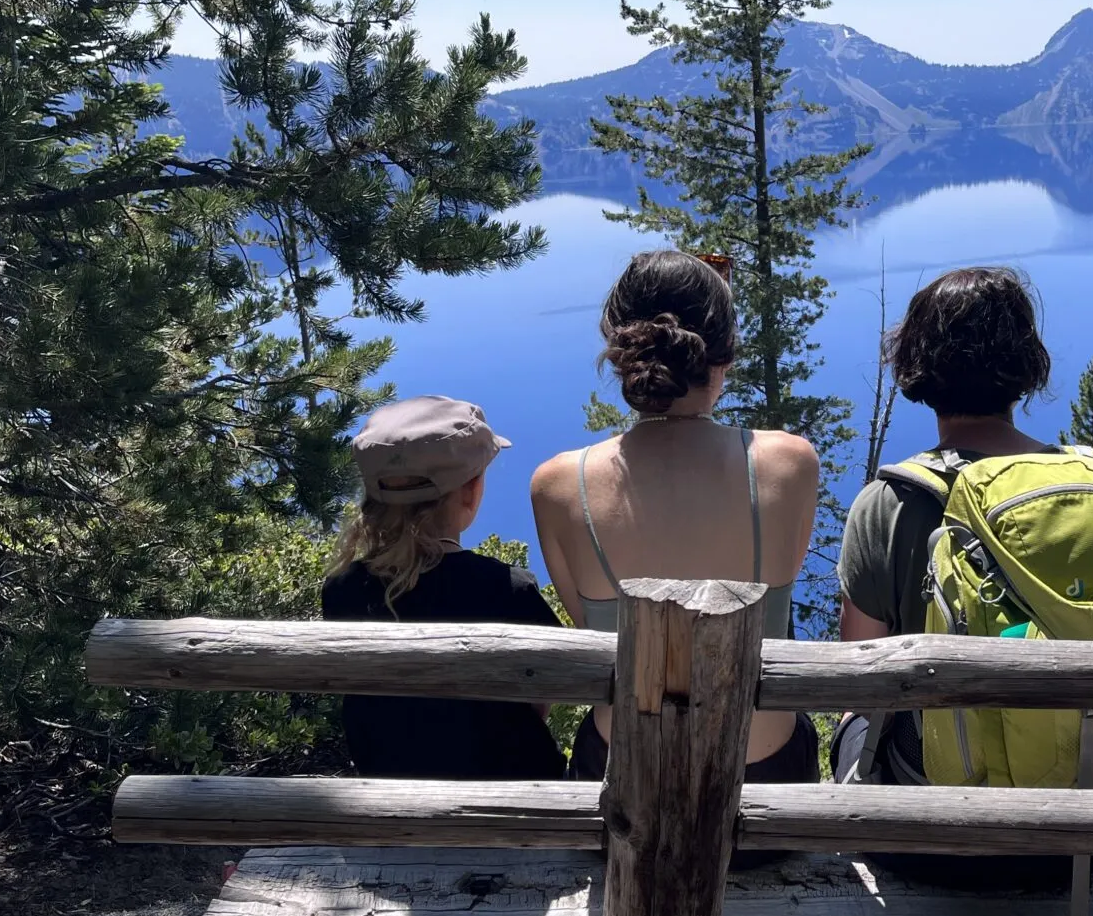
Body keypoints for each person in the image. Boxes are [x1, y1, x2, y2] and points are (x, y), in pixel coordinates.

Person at [531, 249, 822, 782]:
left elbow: (590, 626)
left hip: (622, 779)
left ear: (621, 350)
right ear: (726, 353)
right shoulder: (788, 463)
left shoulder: (558, 484)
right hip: (763, 778)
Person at [831, 269, 1071, 890]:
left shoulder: (888, 503)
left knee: (852, 724)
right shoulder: (1082, 492)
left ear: (918, 365)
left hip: (926, 837)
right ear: (1025, 361)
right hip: (1075, 832)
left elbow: (859, 671)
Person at [322, 394, 567, 780]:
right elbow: (541, 698)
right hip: (514, 800)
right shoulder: (508, 588)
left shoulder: (341, 590)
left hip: (392, 803)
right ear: (470, 492)